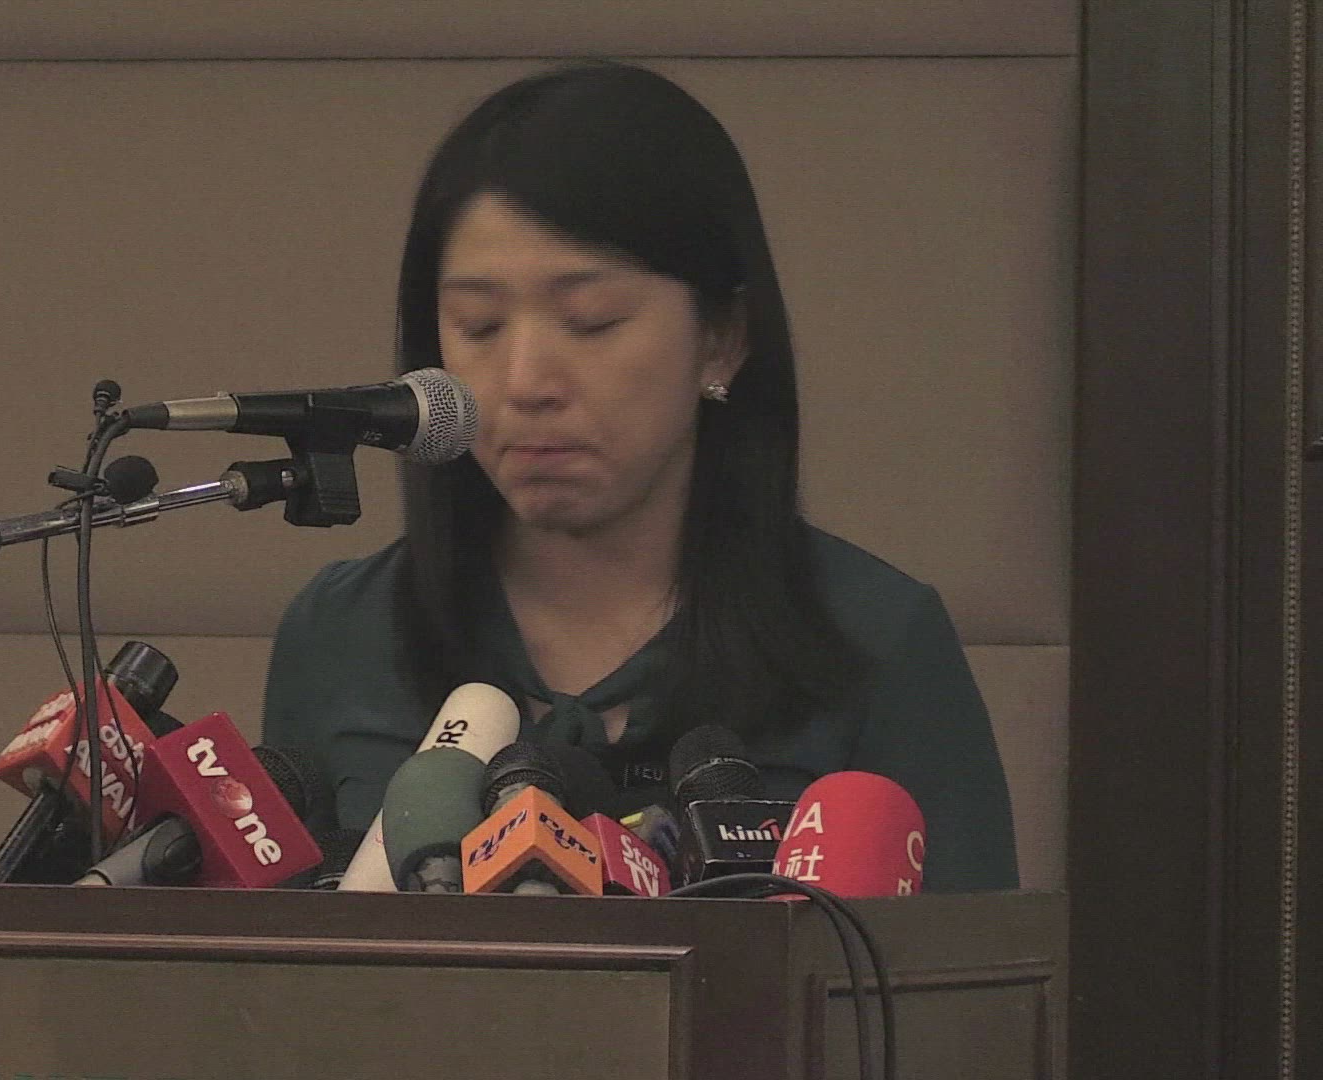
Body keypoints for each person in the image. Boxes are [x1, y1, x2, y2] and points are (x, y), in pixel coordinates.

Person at [261, 61, 1018, 893]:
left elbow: (971, 968)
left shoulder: (875, 639)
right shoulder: (342, 634)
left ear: (722, 339)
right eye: (478, 325)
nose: (525, 382)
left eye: (592, 321)